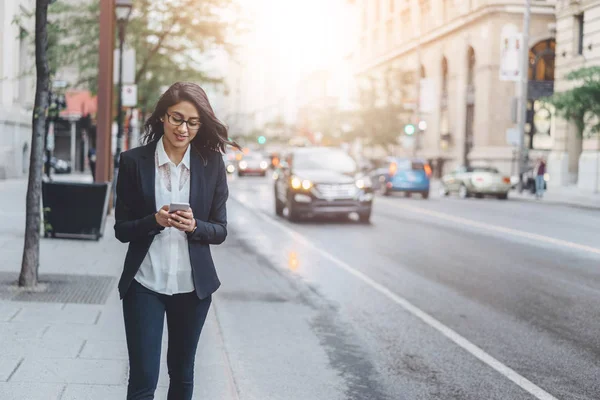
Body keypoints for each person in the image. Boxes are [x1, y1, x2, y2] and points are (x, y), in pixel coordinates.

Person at [114, 82, 239, 400]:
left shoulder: (211, 165)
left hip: (192, 289)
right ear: (162, 118)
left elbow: (221, 230)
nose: (184, 128)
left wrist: (196, 226)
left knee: (182, 375)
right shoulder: (133, 162)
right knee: (143, 380)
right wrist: (153, 221)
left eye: (193, 122)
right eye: (176, 119)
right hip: (145, 284)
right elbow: (121, 229)